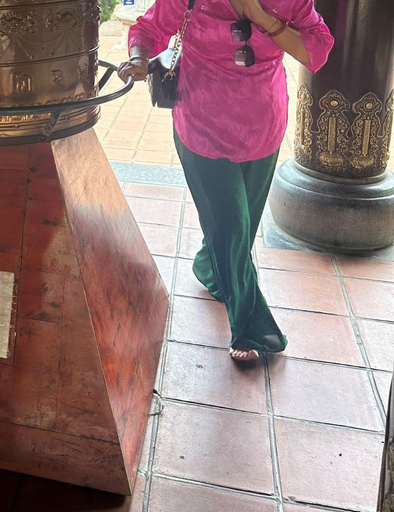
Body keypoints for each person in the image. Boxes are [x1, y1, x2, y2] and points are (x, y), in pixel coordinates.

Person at [118, 0, 334, 361]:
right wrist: (140, 59)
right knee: (231, 228)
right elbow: (149, 28)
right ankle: (253, 331)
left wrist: (259, 15)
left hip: (264, 123)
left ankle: (208, 266)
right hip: (202, 123)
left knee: (241, 228)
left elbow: (316, 51)